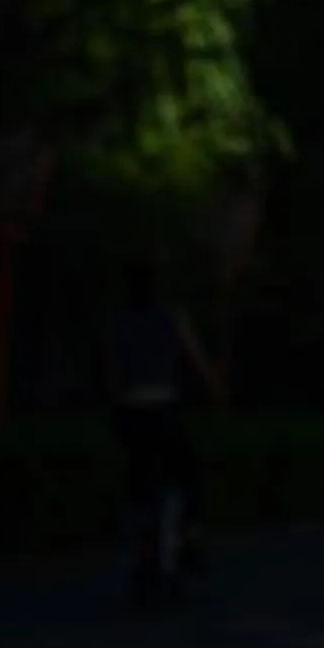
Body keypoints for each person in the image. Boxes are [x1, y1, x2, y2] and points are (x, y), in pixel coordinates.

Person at [102, 254, 218, 607]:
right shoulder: (172, 317)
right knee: (190, 477)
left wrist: (116, 407)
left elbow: (111, 372)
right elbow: (196, 360)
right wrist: (210, 390)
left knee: (136, 480)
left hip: (130, 411)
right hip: (164, 408)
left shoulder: (117, 322)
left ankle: (133, 544)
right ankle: (189, 538)